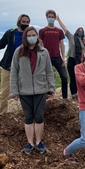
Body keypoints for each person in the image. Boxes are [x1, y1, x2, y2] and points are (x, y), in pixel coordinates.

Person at [10, 26, 55, 155]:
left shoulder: (44, 52)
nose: (31, 37)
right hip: (24, 91)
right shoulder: (18, 52)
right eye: (29, 35)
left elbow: (49, 71)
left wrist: (51, 88)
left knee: (39, 116)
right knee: (28, 117)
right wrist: (14, 91)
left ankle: (39, 142)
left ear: (37, 37)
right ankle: (29, 143)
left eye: (33, 35)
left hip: (41, 90)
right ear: (25, 37)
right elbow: (14, 72)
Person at [0, 14, 31, 115]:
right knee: (4, 92)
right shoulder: (11, 32)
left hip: (23, 67)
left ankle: (26, 113)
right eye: (23, 22)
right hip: (8, 66)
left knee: (26, 91)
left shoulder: (30, 34)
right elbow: (0, 45)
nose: (25, 24)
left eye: (27, 22)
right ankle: (2, 114)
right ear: (19, 22)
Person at [39, 9, 68, 99]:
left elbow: (62, 44)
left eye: (52, 17)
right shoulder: (42, 31)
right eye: (49, 17)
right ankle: (48, 96)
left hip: (57, 57)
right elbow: (40, 44)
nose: (51, 18)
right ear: (46, 18)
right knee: (45, 78)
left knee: (64, 77)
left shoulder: (59, 31)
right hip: (46, 58)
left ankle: (65, 97)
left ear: (55, 18)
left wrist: (63, 57)